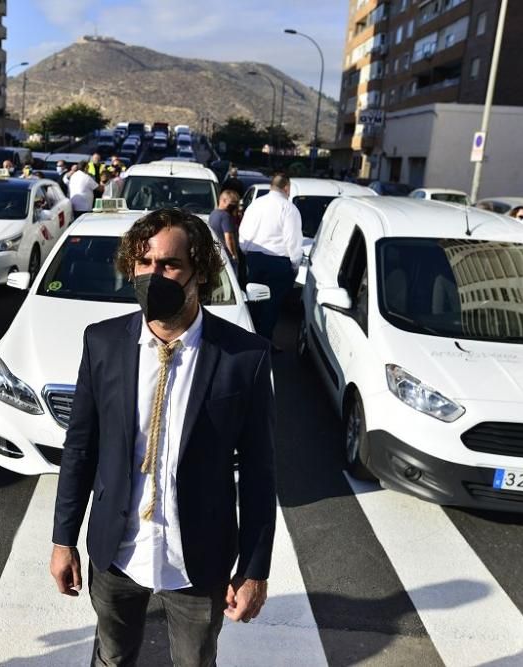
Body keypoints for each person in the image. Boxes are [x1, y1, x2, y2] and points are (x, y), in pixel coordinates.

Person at [51, 207, 276, 667]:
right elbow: (80, 449)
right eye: (144, 263)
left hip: (199, 558)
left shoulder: (243, 357)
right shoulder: (103, 343)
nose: (154, 275)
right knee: (112, 658)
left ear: (199, 272)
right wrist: (63, 539)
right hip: (116, 551)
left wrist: (254, 571)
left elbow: (259, 473)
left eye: (169, 264)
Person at [238, 172, 303, 344]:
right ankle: (264, 342)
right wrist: (294, 266)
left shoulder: (256, 205)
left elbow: (243, 233)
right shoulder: (289, 209)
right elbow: (293, 241)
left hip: (254, 259)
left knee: (254, 301)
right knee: (272, 306)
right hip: (278, 263)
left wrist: (247, 254)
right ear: (287, 188)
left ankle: (249, 338)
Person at [209, 189, 240, 264]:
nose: (234, 206)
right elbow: (229, 238)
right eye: (233, 203)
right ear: (223, 200)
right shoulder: (225, 216)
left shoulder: (213, 213)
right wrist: (234, 255)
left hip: (217, 252)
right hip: (227, 255)